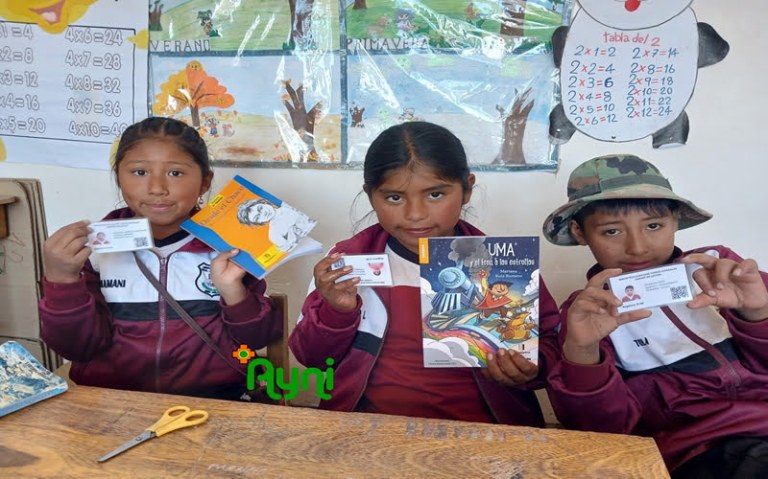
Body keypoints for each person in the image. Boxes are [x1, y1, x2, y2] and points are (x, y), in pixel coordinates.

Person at [289, 121, 560, 426]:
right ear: (370, 195)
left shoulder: (504, 265)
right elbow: (310, 357)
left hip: (485, 429)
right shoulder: (348, 262)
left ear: (467, 188)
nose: (415, 214)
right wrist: (335, 312)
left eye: (435, 195)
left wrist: (529, 368)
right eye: (394, 197)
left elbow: (551, 346)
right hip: (366, 427)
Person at [541, 154, 768, 477]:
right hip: (692, 454)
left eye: (653, 226)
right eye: (611, 232)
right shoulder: (586, 315)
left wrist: (757, 313)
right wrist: (583, 353)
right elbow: (603, 431)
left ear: (676, 220)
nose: (637, 247)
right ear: (580, 233)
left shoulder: (720, 269)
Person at [38, 117, 281, 400]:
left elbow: (258, 339)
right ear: (119, 178)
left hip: (217, 401)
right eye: (139, 172)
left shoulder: (230, 247)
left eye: (175, 173)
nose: (156, 188)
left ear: (205, 182)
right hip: (112, 401)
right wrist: (61, 280)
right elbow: (76, 349)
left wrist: (234, 292)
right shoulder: (91, 254)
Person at [236, 198, 316, 253]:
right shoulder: (274, 235)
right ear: (259, 222)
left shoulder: (286, 204)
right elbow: (295, 250)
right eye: (257, 217)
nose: (263, 213)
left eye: (260, 208)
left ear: (263, 203)